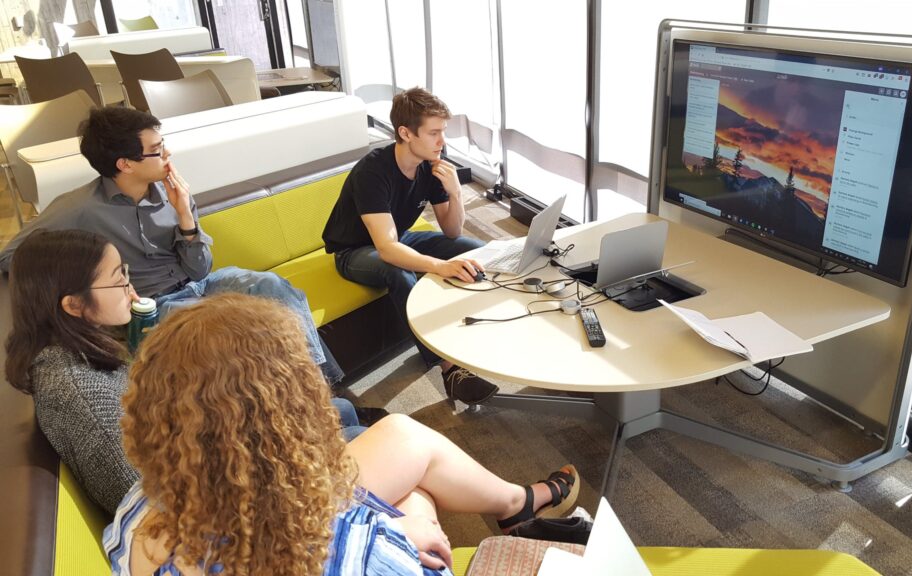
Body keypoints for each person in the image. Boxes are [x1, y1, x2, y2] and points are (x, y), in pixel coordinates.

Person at [107, 293, 580, 575]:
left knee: (401, 436)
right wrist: (399, 526)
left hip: (261, 519)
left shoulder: (142, 508)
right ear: (291, 416)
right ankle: (518, 506)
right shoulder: (362, 560)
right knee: (416, 487)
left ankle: (516, 504)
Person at [2, 229, 364, 515]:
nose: (131, 289)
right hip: (227, 497)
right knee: (361, 428)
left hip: (201, 454)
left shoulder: (76, 351)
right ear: (74, 304)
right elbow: (153, 506)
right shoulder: (81, 394)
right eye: (118, 279)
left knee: (336, 414)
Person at [0, 106, 344, 387]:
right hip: (151, 308)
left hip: (199, 284)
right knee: (235, 327)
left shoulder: (173, 193)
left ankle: (318, 383)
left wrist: (184, 215)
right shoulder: (79, 208)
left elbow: (200, 270)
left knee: (270, 286)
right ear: (125, 164)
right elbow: (11, 256)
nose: (167, 154)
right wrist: (83, 276)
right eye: (157, 150)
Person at [323, 87, 498, 406]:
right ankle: (450, 368)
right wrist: (439, 266)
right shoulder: (373, 171)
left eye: (443, 132)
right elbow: (387, 250)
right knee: (399, 271)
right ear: (405, 132)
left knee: (472, 247)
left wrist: (456, 192)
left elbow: (451, 229)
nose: (441, 141)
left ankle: (473, 328)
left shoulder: (431, 162)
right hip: (355, 252)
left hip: (399, 237)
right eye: (434, 133)